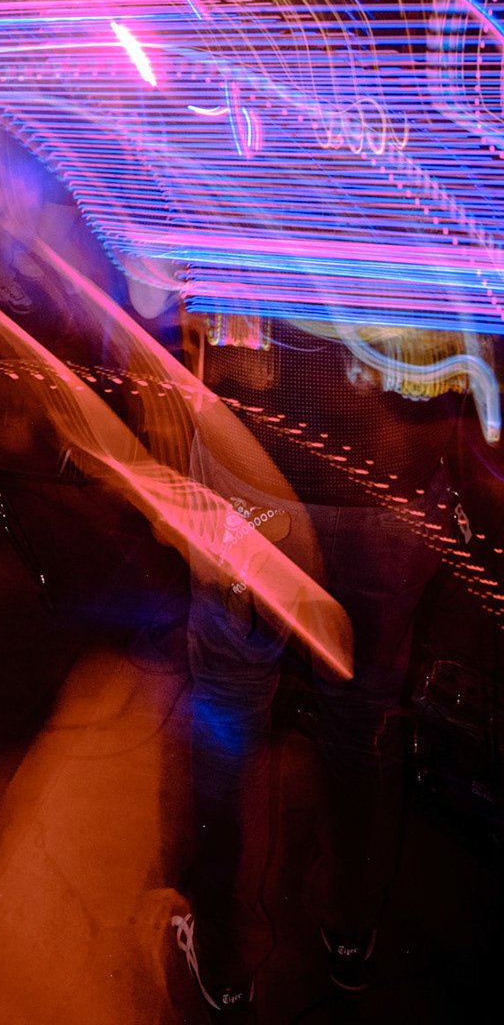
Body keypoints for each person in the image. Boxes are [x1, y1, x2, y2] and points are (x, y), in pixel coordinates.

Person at [172, 314, 469, 1017]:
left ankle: (225, 962)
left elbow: (153, 274)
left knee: (230, 713)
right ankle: (350, 933)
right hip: (395, 481)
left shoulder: (225, 192)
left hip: (255, 476)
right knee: (363, 714)